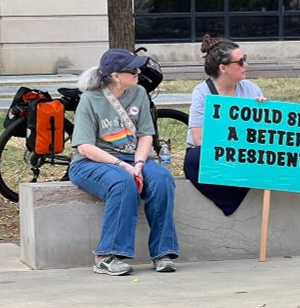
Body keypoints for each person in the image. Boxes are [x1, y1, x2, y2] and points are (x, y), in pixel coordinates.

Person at [69, 48, 180, 275]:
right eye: (132, 70)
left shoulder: (138, 92)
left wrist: (138, 163)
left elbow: (146, 135)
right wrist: (123, 166)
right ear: (115, 76)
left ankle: (163, 252)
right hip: (92, 161)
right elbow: (84, 146)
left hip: (132, 156)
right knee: (122, 182)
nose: (139, 72)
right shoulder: (90, 99)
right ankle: (108, 256)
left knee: (161, 178)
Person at [184, 35, 267, 215]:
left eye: (245, 59)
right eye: (240, 62)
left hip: (244, 151)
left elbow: (264, 136)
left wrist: (264, 113)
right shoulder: (202, 93)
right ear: (223, 68)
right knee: (196, 159)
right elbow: (199, 139)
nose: (246, 65)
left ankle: (237, 194)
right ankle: (231, 201)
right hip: (216, 152)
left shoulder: (252, 89)